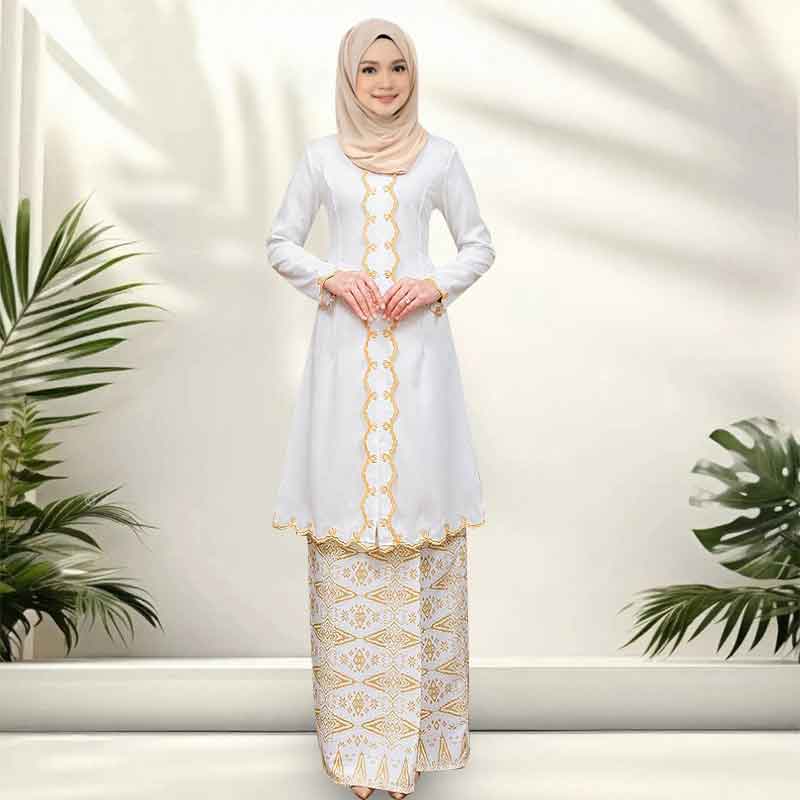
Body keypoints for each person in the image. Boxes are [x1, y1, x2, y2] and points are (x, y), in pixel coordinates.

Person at [266, 17, 495, 799]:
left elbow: (478, 244)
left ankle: (414, 748)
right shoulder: (320, 159)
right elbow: (281, 242)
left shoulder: (441, 158)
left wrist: (434, 285)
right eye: (370, 69)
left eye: (398, 67)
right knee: (348, 534)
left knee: (418, 528)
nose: (386, 82)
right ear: (349, 78)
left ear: (412, 75)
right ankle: (358, 753)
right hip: (343, 362)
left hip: (421, 362)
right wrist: (330, 276)